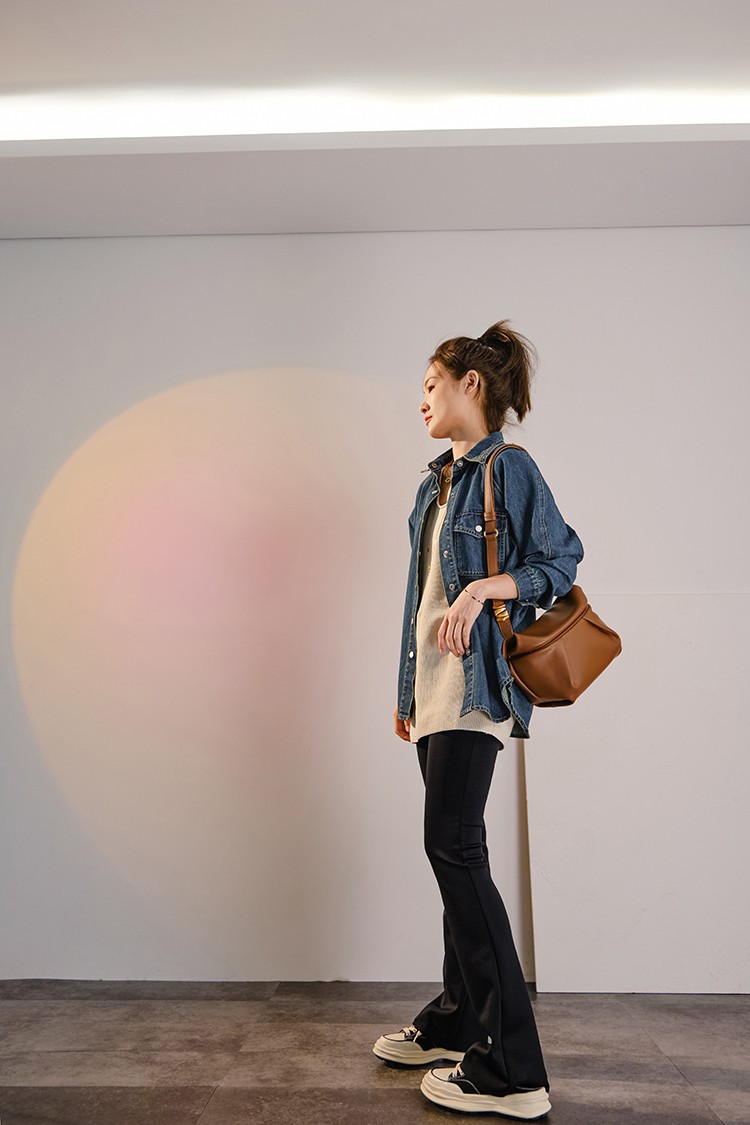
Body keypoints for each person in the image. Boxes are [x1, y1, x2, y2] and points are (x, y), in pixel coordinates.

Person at [373, 320, 584, 1119]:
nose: (422, 399)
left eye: (431, 383)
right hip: (433, 695)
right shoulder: (434, 484)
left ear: (471, 384)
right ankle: (459, 1019)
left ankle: (513, 1069)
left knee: (455, 848)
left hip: (476, 690)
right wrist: (406, 694)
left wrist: (481, 589)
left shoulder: (509, 467)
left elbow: (560, 561)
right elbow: (418, 598)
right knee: (452, 853)